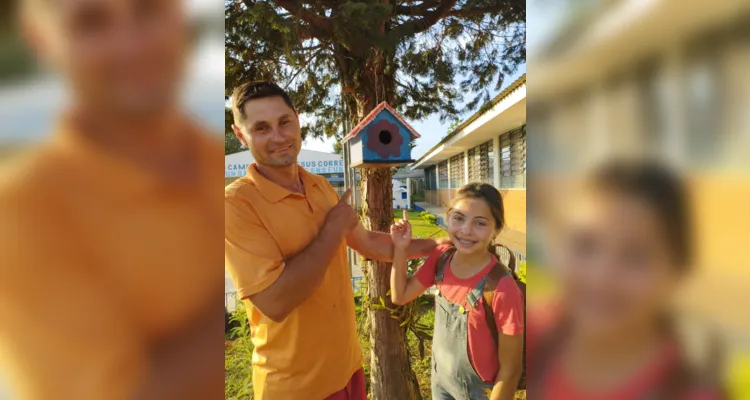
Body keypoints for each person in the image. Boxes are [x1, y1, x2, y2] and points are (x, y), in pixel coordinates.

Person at [0, 0, 224, 399]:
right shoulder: (23, 210)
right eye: (91, 23)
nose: (131, 46)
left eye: (148, 10)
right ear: (41, 40)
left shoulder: (213, 157)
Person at [224, 81, 447, 400]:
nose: (278, 136)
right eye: (261, 128)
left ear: (297, 120)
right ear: (241, 134)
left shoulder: (318, 186)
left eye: (284, 121)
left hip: (348, 370)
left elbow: (370, 242)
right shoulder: (236, 205)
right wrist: (334, 228)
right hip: (295, 388)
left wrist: (435, 247)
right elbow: (275, 302)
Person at [527, 161, 725, 399]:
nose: (600, 278)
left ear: (677, 271)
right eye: (585, 244)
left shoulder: (691, 392)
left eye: (635, 256)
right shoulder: (535, 336)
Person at [389, 183, 525, 400]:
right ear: (448, 217)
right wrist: (400, 249)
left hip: (479, 392)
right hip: (441, 381)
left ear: (496, 230)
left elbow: (510, 371)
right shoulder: (442, 258)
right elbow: (400, 295)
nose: (466, 230)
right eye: (459, 218)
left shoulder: (501, 288)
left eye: (480, 223)